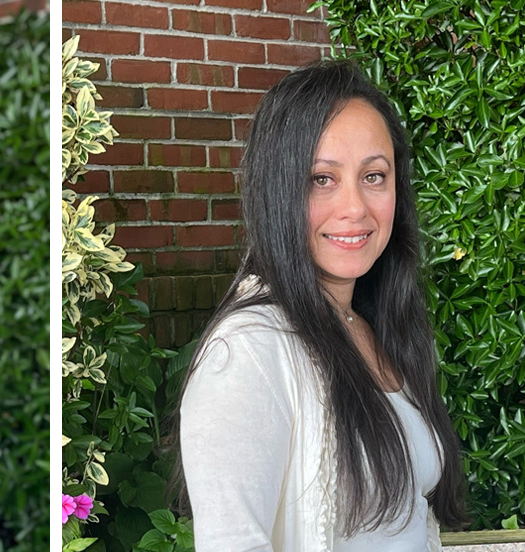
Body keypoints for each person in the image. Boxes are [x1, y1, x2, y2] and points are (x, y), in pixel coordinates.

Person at [177, 61, 467, 551]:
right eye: (321, 179)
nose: (355, 207)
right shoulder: (250, 352)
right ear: (278, 189)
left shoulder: (373, 323)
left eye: (374, 176)